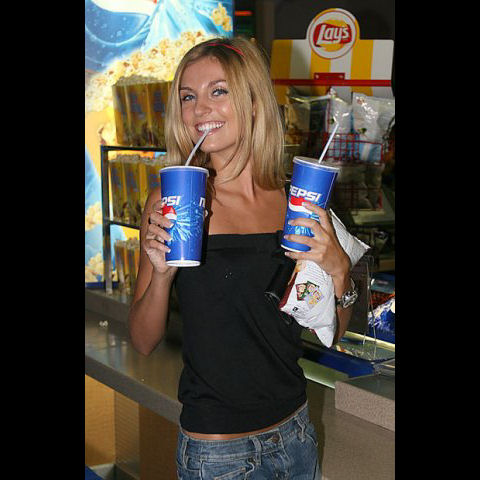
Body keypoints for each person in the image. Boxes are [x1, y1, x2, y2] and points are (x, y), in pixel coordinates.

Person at [128, 36, 354, 480]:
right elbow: (142, 340)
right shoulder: (173, 201)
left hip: (296, 433)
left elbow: (331, 332)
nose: (199, 109)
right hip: (219, 452)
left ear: (253, 102)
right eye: (188, 97)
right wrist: (161, 276)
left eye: (218, 91)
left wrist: (339, 271)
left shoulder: (296, 201)